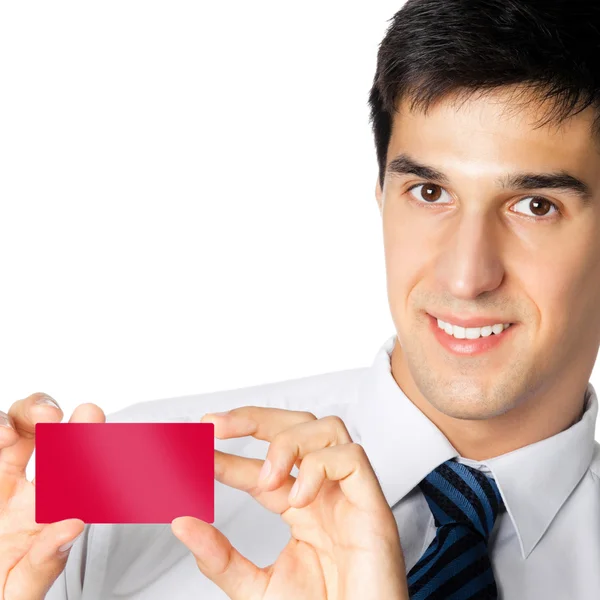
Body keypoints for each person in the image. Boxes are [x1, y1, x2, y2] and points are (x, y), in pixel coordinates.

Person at [1, 0, 599, 598]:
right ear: (382, 196)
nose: (467, 276)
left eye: (536, 206)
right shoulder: (129, 469)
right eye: (429, 191)